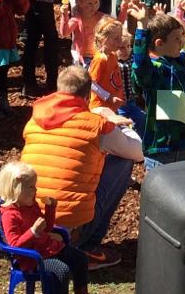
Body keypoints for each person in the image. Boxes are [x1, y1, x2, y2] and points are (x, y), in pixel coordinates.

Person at [18, 63, 144, 269]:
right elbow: (138, 152)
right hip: (65, 226)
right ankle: (87, 246)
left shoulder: (35, 119)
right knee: (122, 160)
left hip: (26, 223)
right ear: (87, 95)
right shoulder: (95, 125)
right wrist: (112, 118)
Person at [0, 161, 110, 294]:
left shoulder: (30, 205)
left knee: (79, 258)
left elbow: (46, 228)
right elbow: (14, 244)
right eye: (31, 187)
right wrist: (32, 232)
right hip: (31, 259)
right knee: (60, 270)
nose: (36, 191)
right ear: (16, 190)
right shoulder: (9, 215)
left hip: (47, 249)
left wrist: (50, 210)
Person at [126, 0, 185, 167]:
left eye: (182, 36)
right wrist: (142, 27)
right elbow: (140, 65)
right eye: (177, 38)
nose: (182, 41)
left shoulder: (181, 62)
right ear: (159, 43)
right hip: (161, 151)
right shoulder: (152, 70)